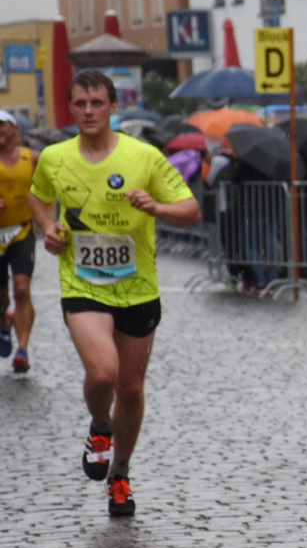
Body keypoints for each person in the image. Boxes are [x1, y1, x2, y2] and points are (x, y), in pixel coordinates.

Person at [27, 71, 200, 517]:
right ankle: (99, 427)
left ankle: (119, 475)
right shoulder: (53, 157)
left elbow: (191, 210)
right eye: (80, 103)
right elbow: (39, 197)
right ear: (70, 107)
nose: (88, 111)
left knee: (131, 387)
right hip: (82, 284)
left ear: (112, 107)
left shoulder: (143, 156)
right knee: (103, 374)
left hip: (138, 286)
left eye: (97, 103)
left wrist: (156, 207)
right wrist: (49, 229)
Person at [0, 110, 39, 372]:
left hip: (22, 231)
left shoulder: (32, 158)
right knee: (1, 297)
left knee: (22, 288)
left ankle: (23, 350)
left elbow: (45, 191)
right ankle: (4, 322)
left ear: (14, 129)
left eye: (2, 126)